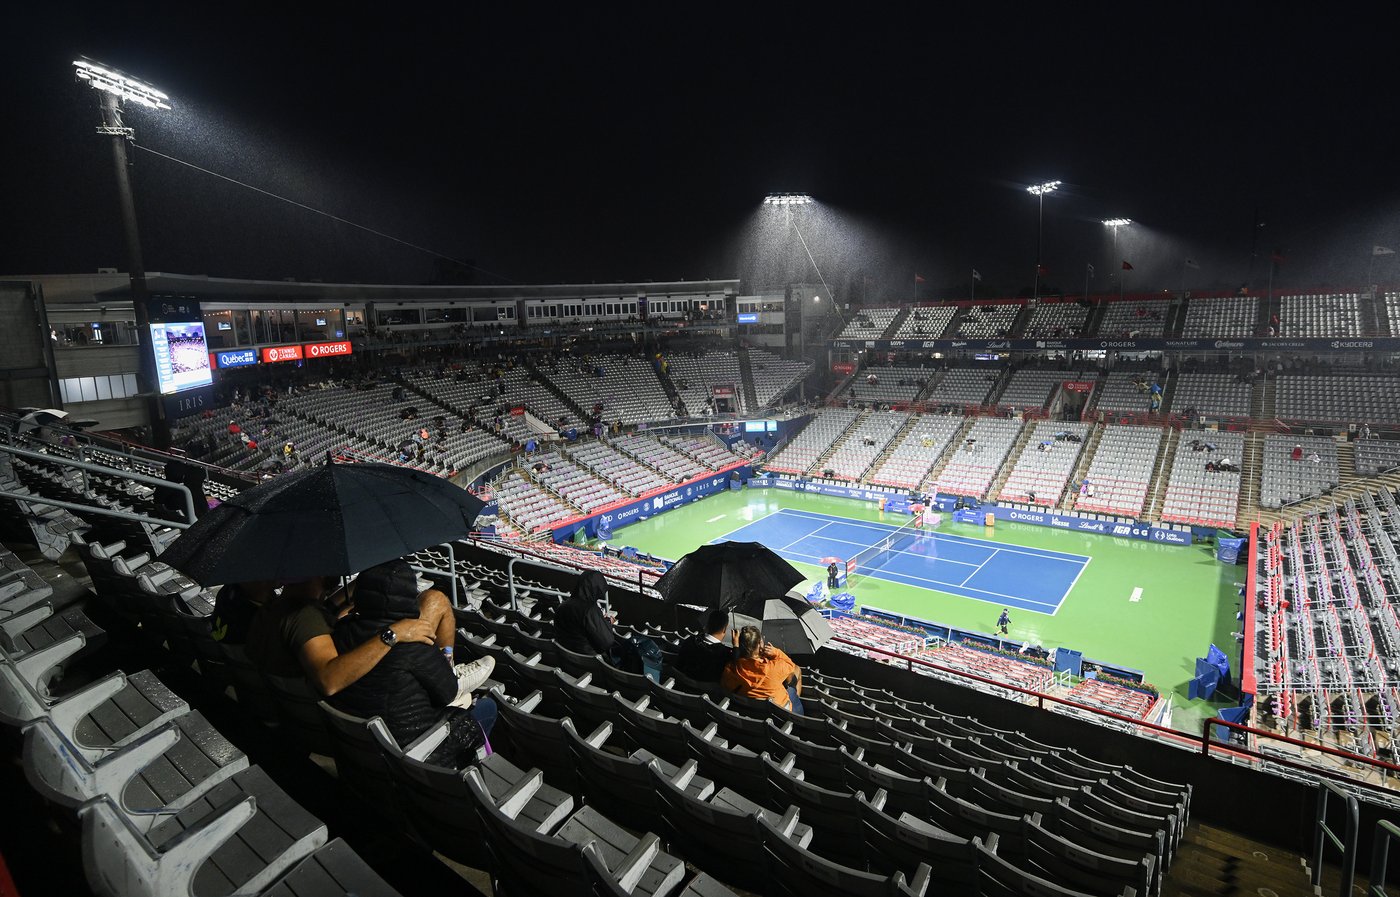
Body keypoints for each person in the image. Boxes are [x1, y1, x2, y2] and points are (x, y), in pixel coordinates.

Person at [328, 559, 496, 766]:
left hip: (361, 751)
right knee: (487, 707)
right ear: (409, 596)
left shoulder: (340, 632)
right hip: (409, 754)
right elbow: (448, 693)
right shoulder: (414, 644)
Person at [245, 569, 455, 697]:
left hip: (295, 711)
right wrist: (394, 633)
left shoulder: (272, 608)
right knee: (435, 600)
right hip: (348, 706)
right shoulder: (305, 617)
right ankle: (443, 672)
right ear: (322, 575)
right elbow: (329, 681)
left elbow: (316, 617)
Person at [721, 625, 803, 714]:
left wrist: (736, 647)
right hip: (780, 714)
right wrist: (776, 652)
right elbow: (791, 665)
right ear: (760, 643)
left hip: (753, 712)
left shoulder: (732, 668)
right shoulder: (774, 667)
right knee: (796, 672)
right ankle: (797, 714)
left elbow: (726, 682)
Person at [672, 608, 735, 684]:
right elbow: (735, 664)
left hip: (682, 686)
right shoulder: (724, 654)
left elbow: (679, 665)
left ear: (707, 625)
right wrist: (736, 646)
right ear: (725, 629)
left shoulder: (691, 641)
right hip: (707, 693)